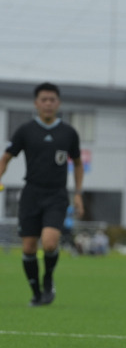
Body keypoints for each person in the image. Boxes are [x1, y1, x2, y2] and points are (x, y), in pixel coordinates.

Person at [0, 82, 84, 306]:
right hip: (31, 194)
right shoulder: (25, 130)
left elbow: (77, 163)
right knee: (28, 247)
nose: (48, 104)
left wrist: (78, 194)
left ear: (59, 103)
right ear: (36, 103)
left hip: (56, 195)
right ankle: (36, 292)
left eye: (52, 100)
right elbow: (6, 157)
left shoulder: (68, 133)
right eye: (44, 100)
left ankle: (48, 280)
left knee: (48, 243)